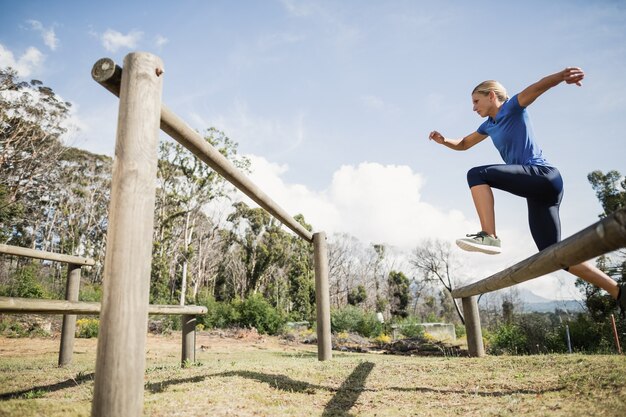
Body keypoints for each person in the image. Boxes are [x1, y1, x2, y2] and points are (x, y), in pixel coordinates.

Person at [428, 67, 625, 312]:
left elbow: (536, 88)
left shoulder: (512, 107)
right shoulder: (488, 126)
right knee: (553, 254)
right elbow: (465, 143)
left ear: (491, 96)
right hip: (540, 192)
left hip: (543, 176)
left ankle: (489, 235)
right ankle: (618, 291)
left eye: (476, 101)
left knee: (477, 174)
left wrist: (560, 77)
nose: (473, 108)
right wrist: (444, 141)